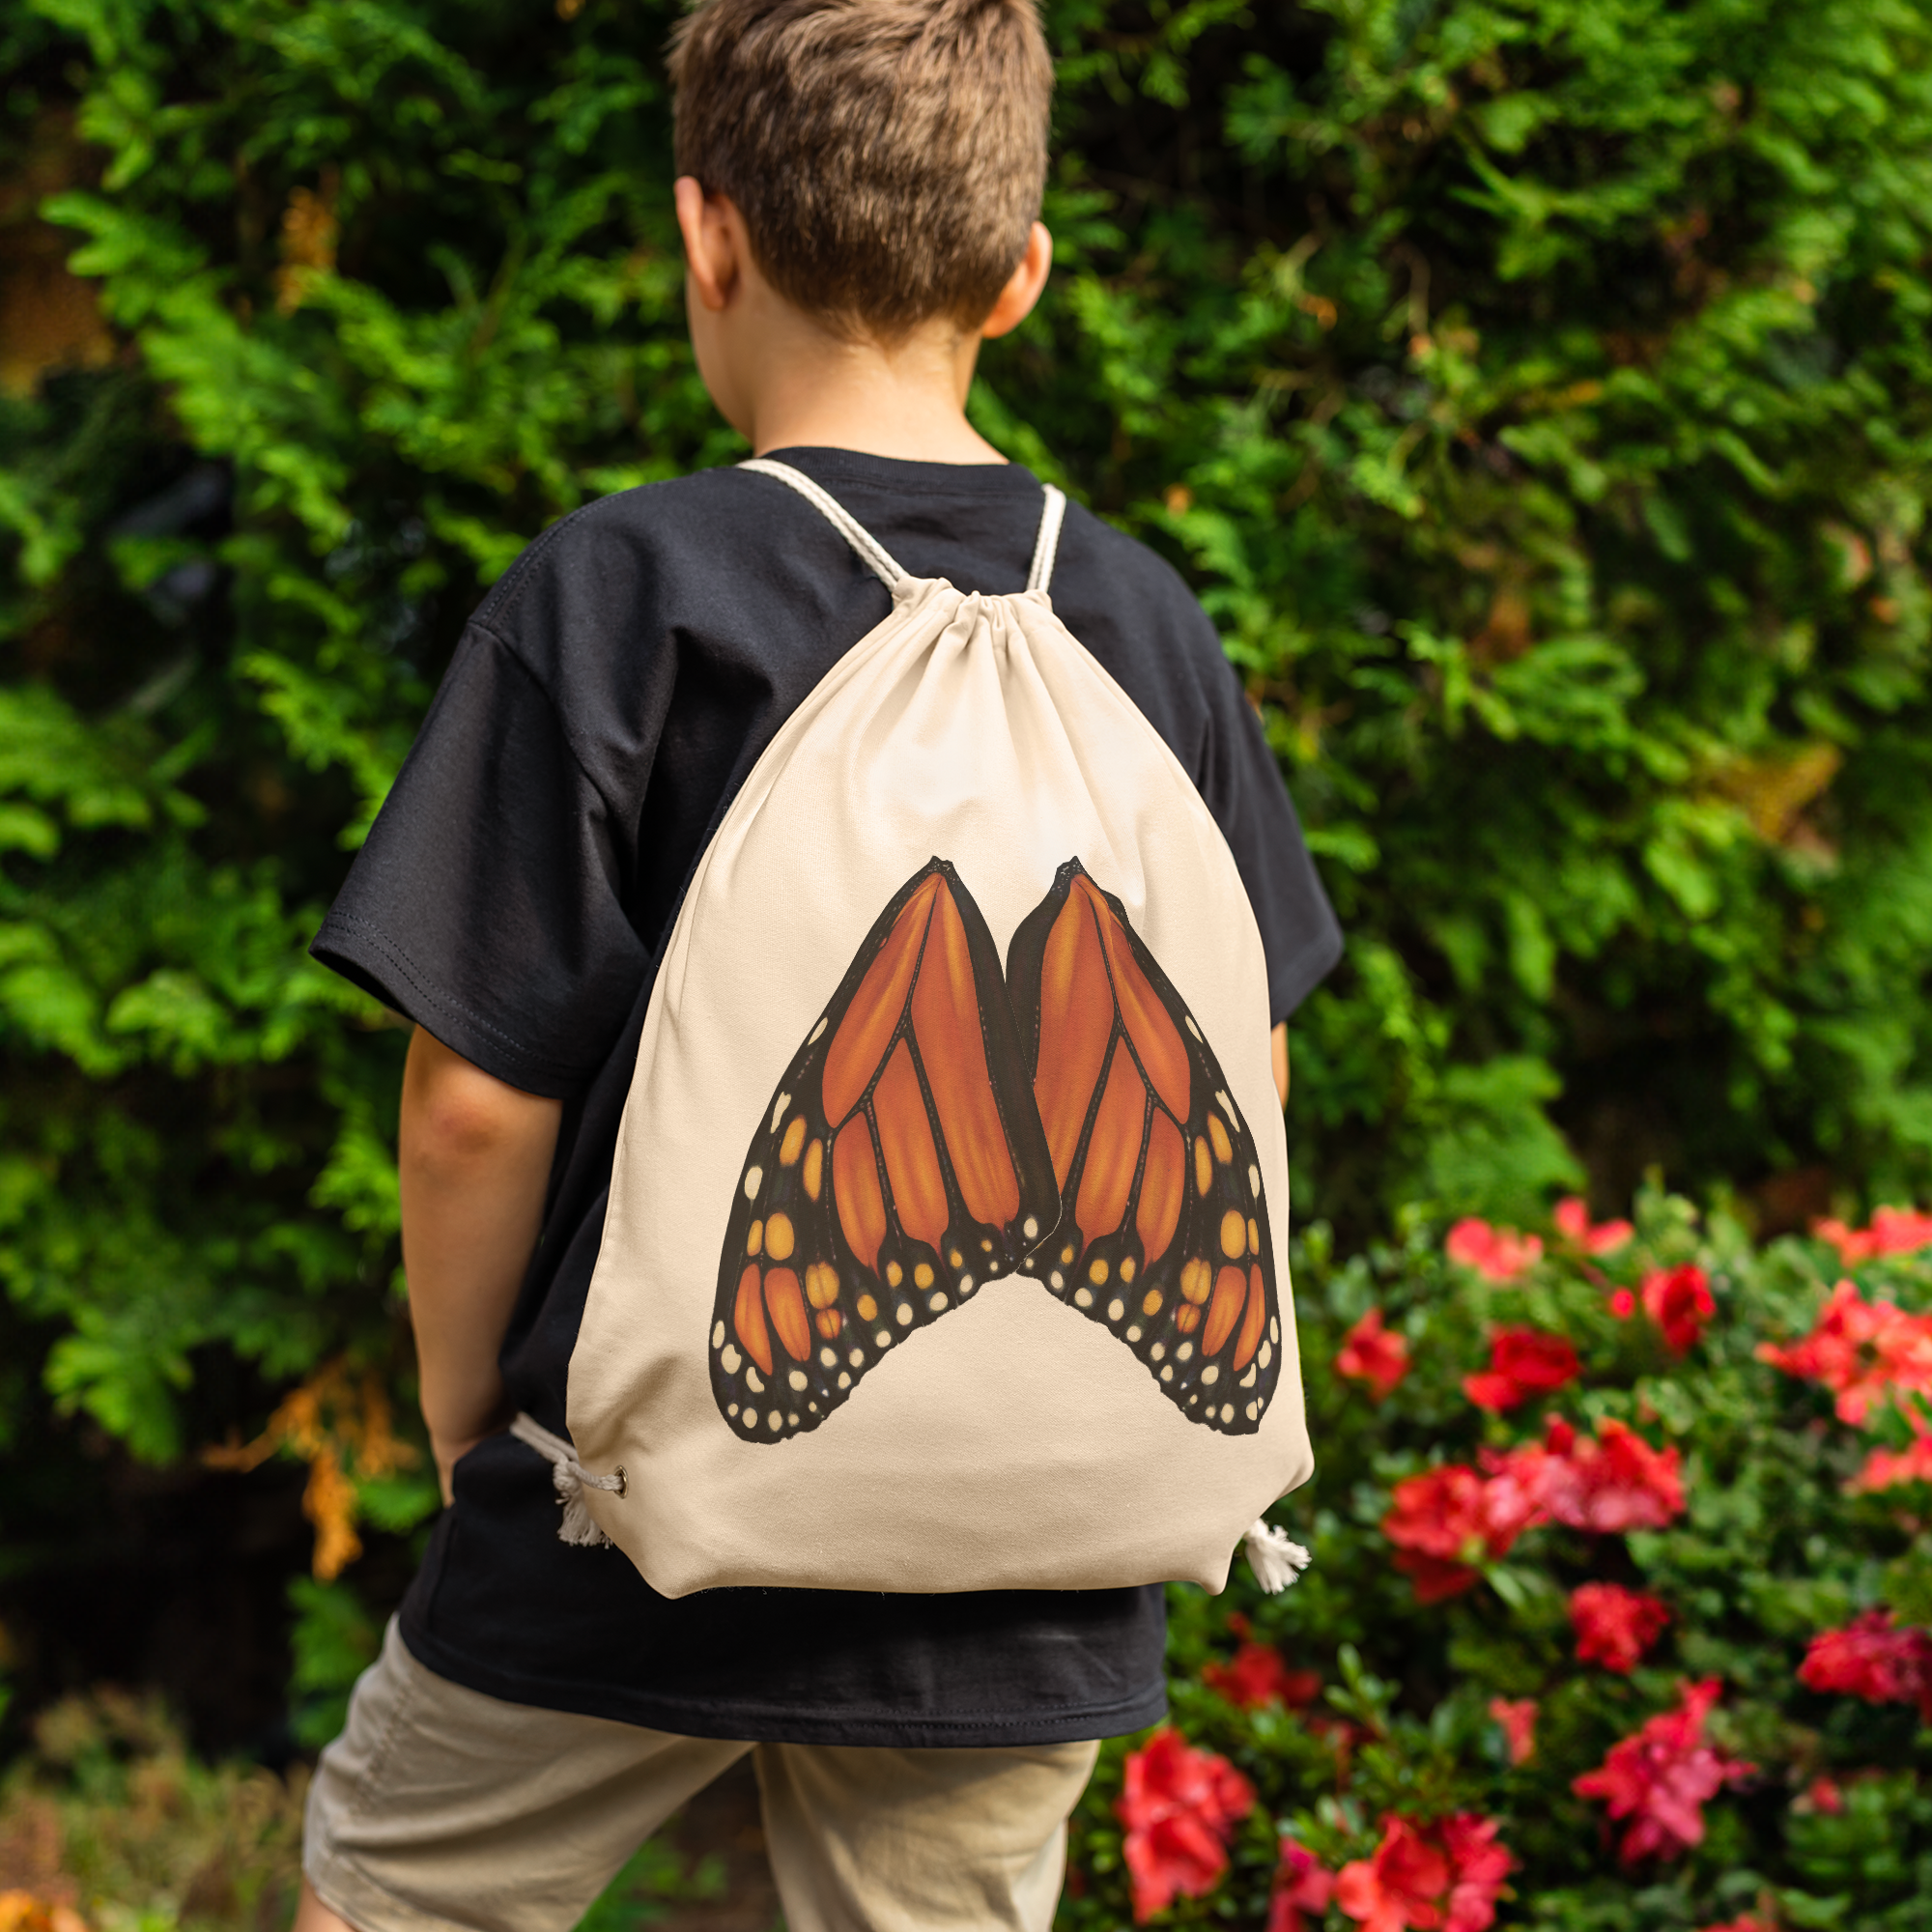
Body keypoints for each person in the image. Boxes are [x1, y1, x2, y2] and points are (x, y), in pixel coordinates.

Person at [296, 0, 1342, 1927]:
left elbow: (467, 1106)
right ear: (1021, 279)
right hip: (1035, 1554)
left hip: (633, 1511)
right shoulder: (1142, 619)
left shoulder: (619, 591)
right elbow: (1242, 1073)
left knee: (402, 1882)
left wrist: (471, 1431)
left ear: (708, 241)